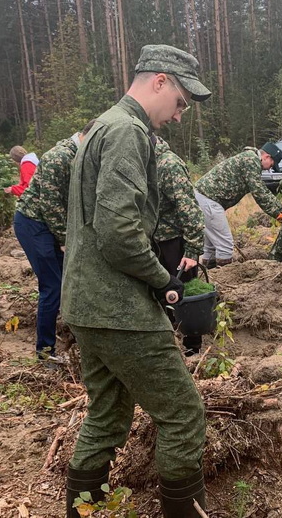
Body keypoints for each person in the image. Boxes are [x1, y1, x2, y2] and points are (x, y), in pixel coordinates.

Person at [61, 44, 210, 518]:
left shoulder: (102, 125)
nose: (180, 114)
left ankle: (84, 511)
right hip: (119, 308)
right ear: (160, 80)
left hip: (86, 305)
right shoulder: (128, 132)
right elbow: (120, 234)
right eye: (182, 102)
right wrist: (162, 278)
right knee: (183, 414)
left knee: (107, 417)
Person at [13, 119, 95, 359]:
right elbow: (50, 204)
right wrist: (64, 238)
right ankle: (45, 351)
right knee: (52, 287)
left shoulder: (77, 156)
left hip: (50, 225)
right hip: (34, 224)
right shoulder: (59, 157)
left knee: (68, 282)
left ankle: (77, 339)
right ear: (87, 136)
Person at [153, 136, 206, 356]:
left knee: (184, 293)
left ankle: (193, 347)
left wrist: (193, 249)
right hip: (155, 240)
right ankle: (168, 342)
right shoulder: (147, 164)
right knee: (162, 292)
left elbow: (189, 209)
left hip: (175, 241)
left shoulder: (168, 164)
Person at [193, 142, 282, 267]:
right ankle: (224, 279)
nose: (269, 169)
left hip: (204, 198)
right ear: (267, 157)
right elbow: (260, 193)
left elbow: (262, 192)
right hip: (208, 200)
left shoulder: (250, 158)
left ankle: (209, 276)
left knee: (211, 246)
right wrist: (280, 214)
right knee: (225, 246)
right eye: (272, 165)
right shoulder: (251, 160)